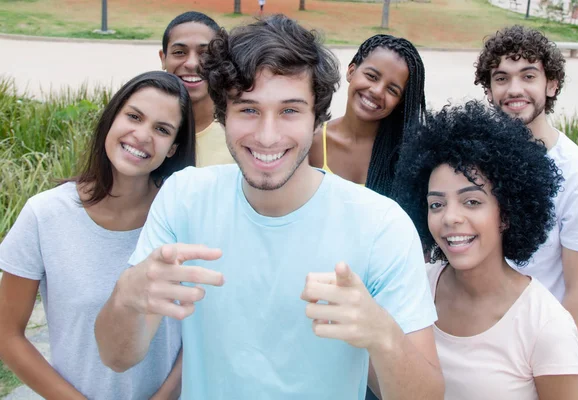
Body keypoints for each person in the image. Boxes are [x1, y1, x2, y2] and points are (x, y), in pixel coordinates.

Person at [95, 15, 443, 400]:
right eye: (248, 109)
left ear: (317, 118)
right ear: (222, 114)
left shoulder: (381, 225)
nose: (267, 135)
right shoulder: (185, 197)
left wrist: (383, 335)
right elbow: (116, 357)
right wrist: (126, 296)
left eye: (290, 110)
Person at [0, 71, 195, 399]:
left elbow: (201, 332)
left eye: (162, 129)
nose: (142, 135)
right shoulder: (44, 215)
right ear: (111, 118)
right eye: (134, 116)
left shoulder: (184, 219)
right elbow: (7, 334)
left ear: (173, 148)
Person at [396, 101, 578, 400]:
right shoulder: (414, 286)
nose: (450, 217)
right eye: (436, 204)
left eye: (472, 201)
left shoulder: (547, 326)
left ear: (507, 213)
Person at [474, 25, 578, 338]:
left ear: (552, 85)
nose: (514, 89)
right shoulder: (473, 156)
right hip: (468, 328)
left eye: (528, 76)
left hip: (531, 340)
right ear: (489, 90)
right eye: (501, 78)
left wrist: (556, 367)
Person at [309, 34, 425, 197]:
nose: (377, 91)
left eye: (392, 90)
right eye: (371, 76)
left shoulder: (405, 156)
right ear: (351, 71)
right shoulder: (312, 141)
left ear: (400, 102)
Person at [160, 11, 233, 167]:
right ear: (163, 58)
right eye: (179, 52)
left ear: (221, 59)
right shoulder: (145, 129)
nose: (192, 64)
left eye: (205, 53)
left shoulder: (237, 136)